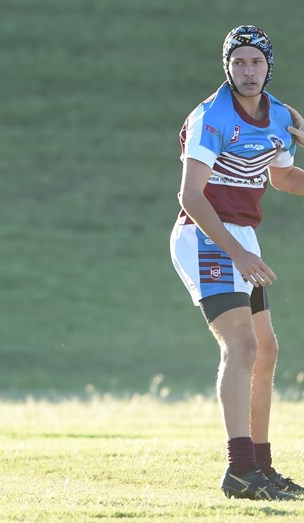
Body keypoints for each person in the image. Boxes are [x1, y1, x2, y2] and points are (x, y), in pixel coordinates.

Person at [170, 25, 304, 500]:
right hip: (205, 236)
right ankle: (239, 471)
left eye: (257, 62)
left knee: (266, 352)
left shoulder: (282, 117)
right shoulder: (211, 115)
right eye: (239, 62)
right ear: (227, 66)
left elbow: (285, 179)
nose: (248, 71)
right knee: (242, 348)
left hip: (240, 238)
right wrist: (239, 253)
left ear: (270, 67)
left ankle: (261, 468)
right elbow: (190, 195)